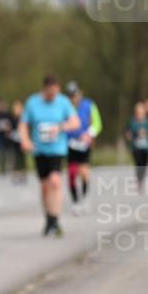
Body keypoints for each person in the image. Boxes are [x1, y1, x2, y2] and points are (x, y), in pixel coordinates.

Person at [18, 74, 81, 238]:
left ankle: (55, 219)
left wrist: (60, 127)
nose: (52, 96)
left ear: (58, 89)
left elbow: (76, 122)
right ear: (44, 89)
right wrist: (25, 140)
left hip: (57, 150)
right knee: (45, 187)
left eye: (55, 92)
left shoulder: (64, 103)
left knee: (55, 181)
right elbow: (24, 124)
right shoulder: (33, 102)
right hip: (39, 150)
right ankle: (48, 218)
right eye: (49, 93)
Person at [64, 81, 103, 215]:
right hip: (70, 144)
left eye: (74, 95)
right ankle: (75, 201)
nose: (73, 98)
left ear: (79, 93)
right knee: (72, 173)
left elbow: (98, 123)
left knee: (84, 172)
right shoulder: (65, 107)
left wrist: (89, 134)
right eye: (70, 96)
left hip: (84, 143)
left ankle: (85, 197)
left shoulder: (89, 105)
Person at [126, 101, 148, 186]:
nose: (140, 114)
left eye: (141, 112)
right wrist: (136, 133)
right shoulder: (133, 121)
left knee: (144, 164)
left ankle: (141, 178)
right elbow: (129, 130)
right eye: (138, 112)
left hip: (146, 148)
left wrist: (147, 133)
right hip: (136, 147)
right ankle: (139, 179)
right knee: (138, 163)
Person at [0, 99, 16, 175]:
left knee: (9, 153)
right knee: (0, 153)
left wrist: (9, 129)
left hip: (7, 137)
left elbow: (12, 125)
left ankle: (10, 167)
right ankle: (1, 168)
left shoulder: (8, 114)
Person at [9, 99, 28, 183]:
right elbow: (9, 128)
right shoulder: (12, 118)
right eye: (15, 108)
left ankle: (23, 172)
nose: (16, 110)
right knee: (14, 157)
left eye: (18, 108)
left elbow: (26, 128)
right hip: (14, 140)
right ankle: (15, 173)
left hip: (22, 140)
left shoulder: (23, 118)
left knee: (22, 157)